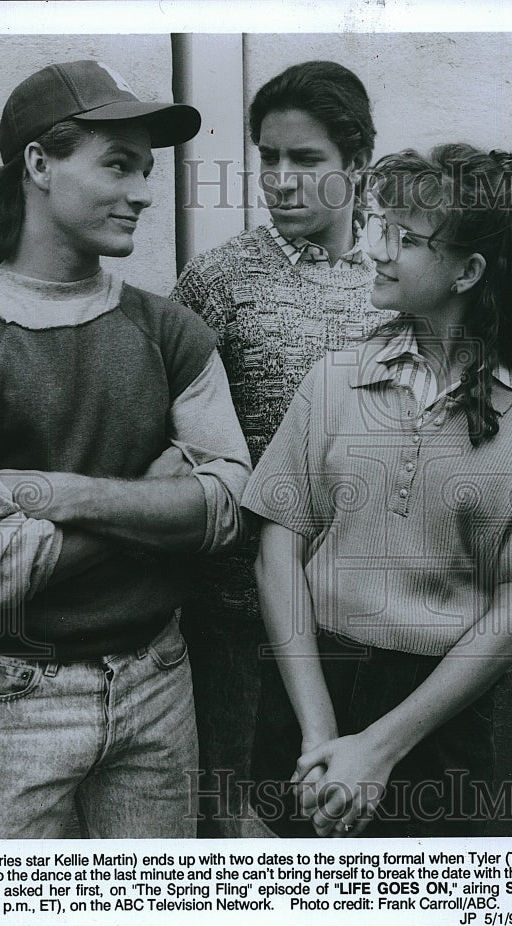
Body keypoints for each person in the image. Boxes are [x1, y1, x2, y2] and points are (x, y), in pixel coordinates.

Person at [0, 60, 251, 839]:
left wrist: (63, 495)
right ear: (39, 164)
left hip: (158, 683)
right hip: (8, 700)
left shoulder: (170, 329)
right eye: (117, 164)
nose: (143, 191)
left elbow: (228, 508)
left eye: (145, 169)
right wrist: (150, 497)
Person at [242, 143, 512, 837]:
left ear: (468, 271)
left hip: (437, 726)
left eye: (404, 237)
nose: (376, 249)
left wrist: (377, 750)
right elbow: (276, 545)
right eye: (380, 226)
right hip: (306, 684)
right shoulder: (335, 378)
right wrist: (318, 736)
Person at [169, 61, 386, 834]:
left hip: (361, 614)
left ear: (357, 166)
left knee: (340, 823)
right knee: (230, 823)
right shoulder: (219, 281)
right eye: (270, 158)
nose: (282, 181)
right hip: (230, 617)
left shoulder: (395, 283)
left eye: (307, 160)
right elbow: (167, 434)